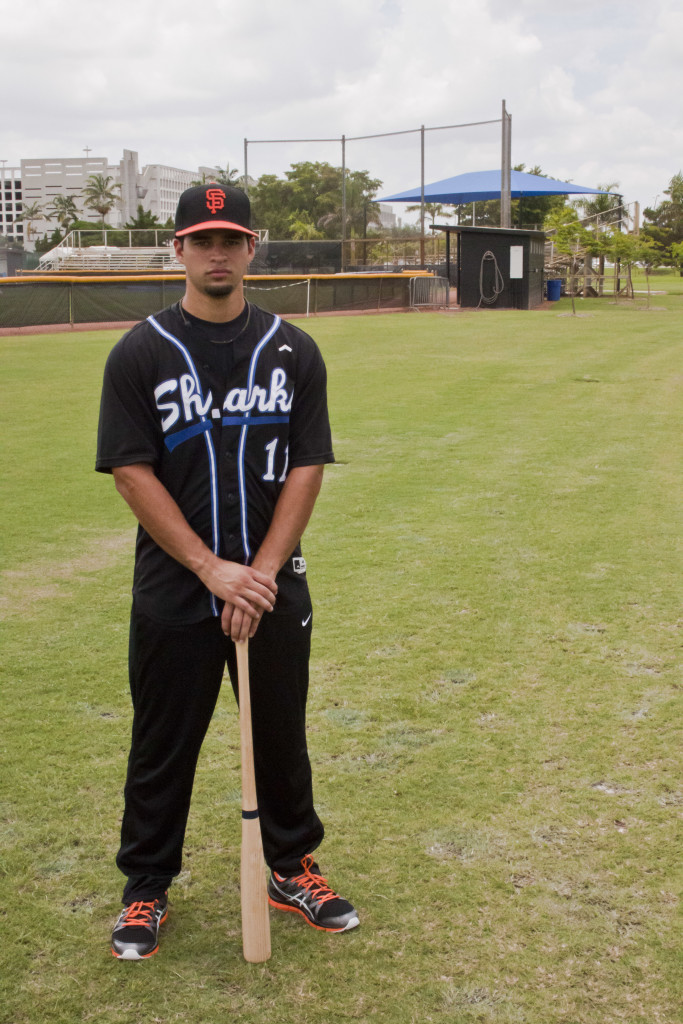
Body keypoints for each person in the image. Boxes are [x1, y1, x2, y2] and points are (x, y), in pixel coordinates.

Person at [96, 183, 359, 960]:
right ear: (178, 249)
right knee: (162, 743)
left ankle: (291, 868)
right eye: (202, 239)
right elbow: (130, 471)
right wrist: (214, 571)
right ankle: (145, 888)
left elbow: (309, 463)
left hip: (272, 584)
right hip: (178, 586)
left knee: (280, 735)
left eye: (230, 239)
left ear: (251, 249)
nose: (217, 252)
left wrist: (260, 574)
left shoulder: (291, 348)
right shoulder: (141, 351)